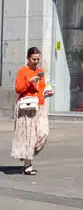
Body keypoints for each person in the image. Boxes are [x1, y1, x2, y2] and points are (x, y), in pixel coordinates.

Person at [11, 47, 53, 175]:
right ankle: (28, 165)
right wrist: (29, 82)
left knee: (43, 133)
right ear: (28, 58)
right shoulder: (23, 71)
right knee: (29, 136)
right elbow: (18, 89)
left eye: (38, 59)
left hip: (40, 105)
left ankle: (25, 152)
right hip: (26, 106)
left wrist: (47, 93)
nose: (36, 61)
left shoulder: (40, 71)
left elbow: (41, 88)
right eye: (34, 59)